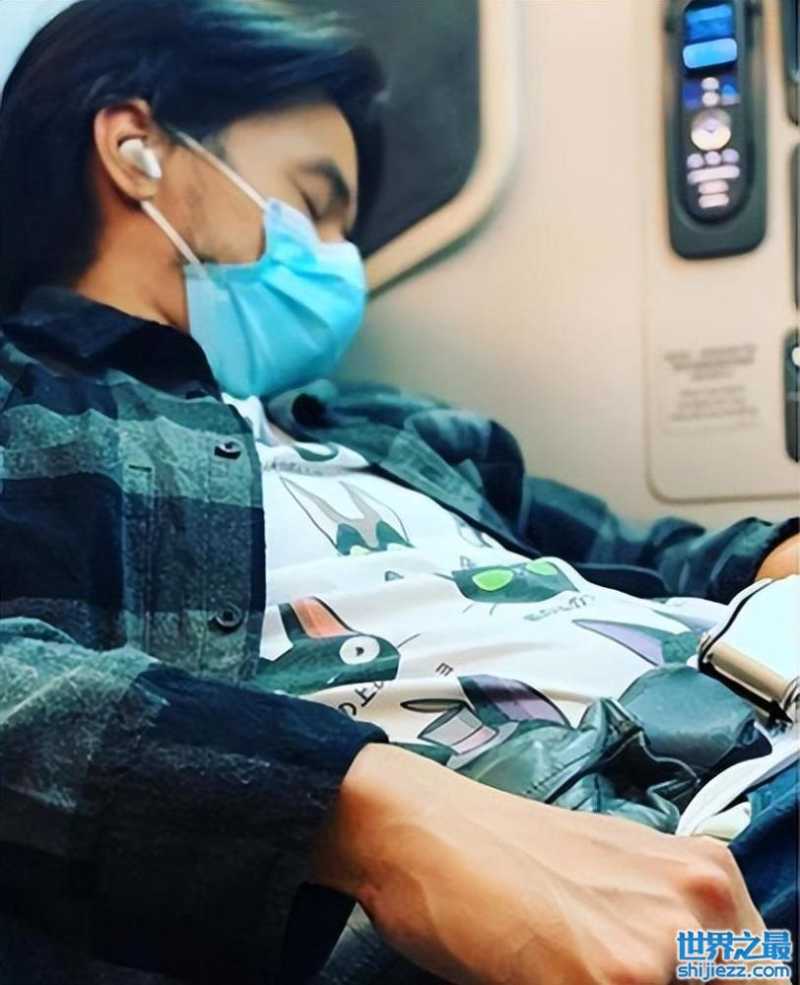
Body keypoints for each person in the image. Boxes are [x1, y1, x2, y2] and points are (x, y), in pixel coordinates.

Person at [0, 2, 797, 984]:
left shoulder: (382, 428)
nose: (342, 262)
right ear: (137, 148)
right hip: (687, 860)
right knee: (754, 968)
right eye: (314, 201)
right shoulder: (26, 403)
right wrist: (378, 816)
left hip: (758, 713)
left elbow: (662, 555)